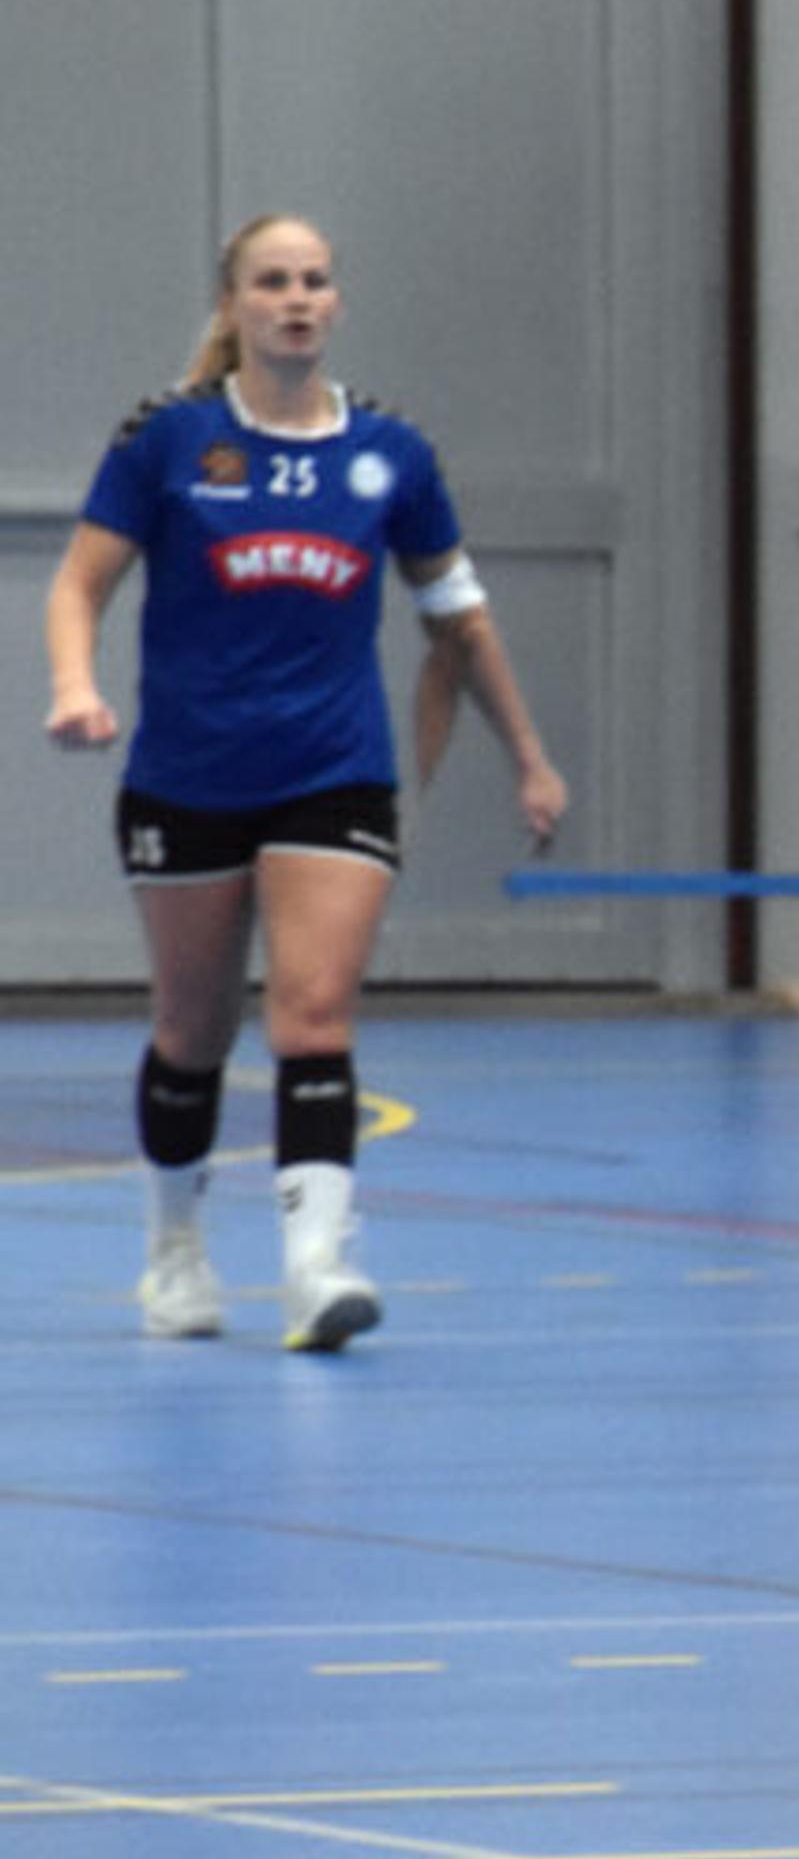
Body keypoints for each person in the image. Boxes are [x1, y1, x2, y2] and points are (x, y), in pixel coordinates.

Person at [42, 212, 567, 1353]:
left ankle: (318, 1264)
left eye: (315, 280)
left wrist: (529, 755)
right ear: (232, 304)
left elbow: (459, 618)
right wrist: (75, 685)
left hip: (333, 770)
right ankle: (175, 1250)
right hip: (188, 775)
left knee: (314, 1011)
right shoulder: (170, 441)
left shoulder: (389, 454)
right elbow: (80, 583)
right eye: (273, 280)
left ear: (336, 301)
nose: (296, 299)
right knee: (191, 1028)